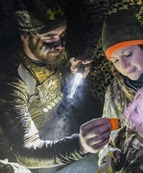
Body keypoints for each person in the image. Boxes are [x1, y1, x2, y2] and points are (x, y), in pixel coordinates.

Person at [0, 0, 111, 172]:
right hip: (20, 151)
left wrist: (72, 73)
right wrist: (80, 146)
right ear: (25, 38)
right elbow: (24, 149)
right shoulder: (10, 78)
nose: (59, 45)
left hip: (51, 123)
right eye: (50, 38)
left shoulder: (54, 51)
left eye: (62, 36)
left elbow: (52, 81)